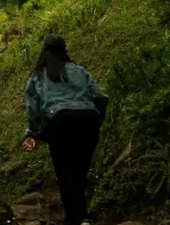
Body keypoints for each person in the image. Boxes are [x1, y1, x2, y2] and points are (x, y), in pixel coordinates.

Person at [22, 34, 108, 225]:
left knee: (65, 172)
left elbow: (33, 108)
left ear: (44, 51)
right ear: (64, 50)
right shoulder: (79, 70)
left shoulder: (38, 75)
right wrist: (97, 115)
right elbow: (99, 96)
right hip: (88, 120)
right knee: (79, 171)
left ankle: (77, 218)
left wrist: (32, 133)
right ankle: (81, 217)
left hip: (60, 123)